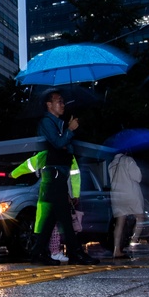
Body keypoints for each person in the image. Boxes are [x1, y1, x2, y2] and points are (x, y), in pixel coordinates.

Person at [29, 90, 98, 266]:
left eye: (63, 102)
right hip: (53, 172)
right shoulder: (47, 122)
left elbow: (65, 147)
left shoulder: (58, 123)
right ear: (49, 105)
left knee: (52, 216)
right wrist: (70, 130)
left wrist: (67, 131)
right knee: (65, 216)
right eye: (59, 101)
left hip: (59, 172)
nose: (62, 104)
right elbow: (58, 143)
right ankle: (75, 253)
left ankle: (37, 252)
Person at [109, 151, 145, 259]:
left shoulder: (111, 164)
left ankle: (116, 250)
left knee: (120, 222)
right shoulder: (128, 160)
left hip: (116, 195)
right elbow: (138, 177)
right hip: (131, 193)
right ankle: (133, 242)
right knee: (140, 217)